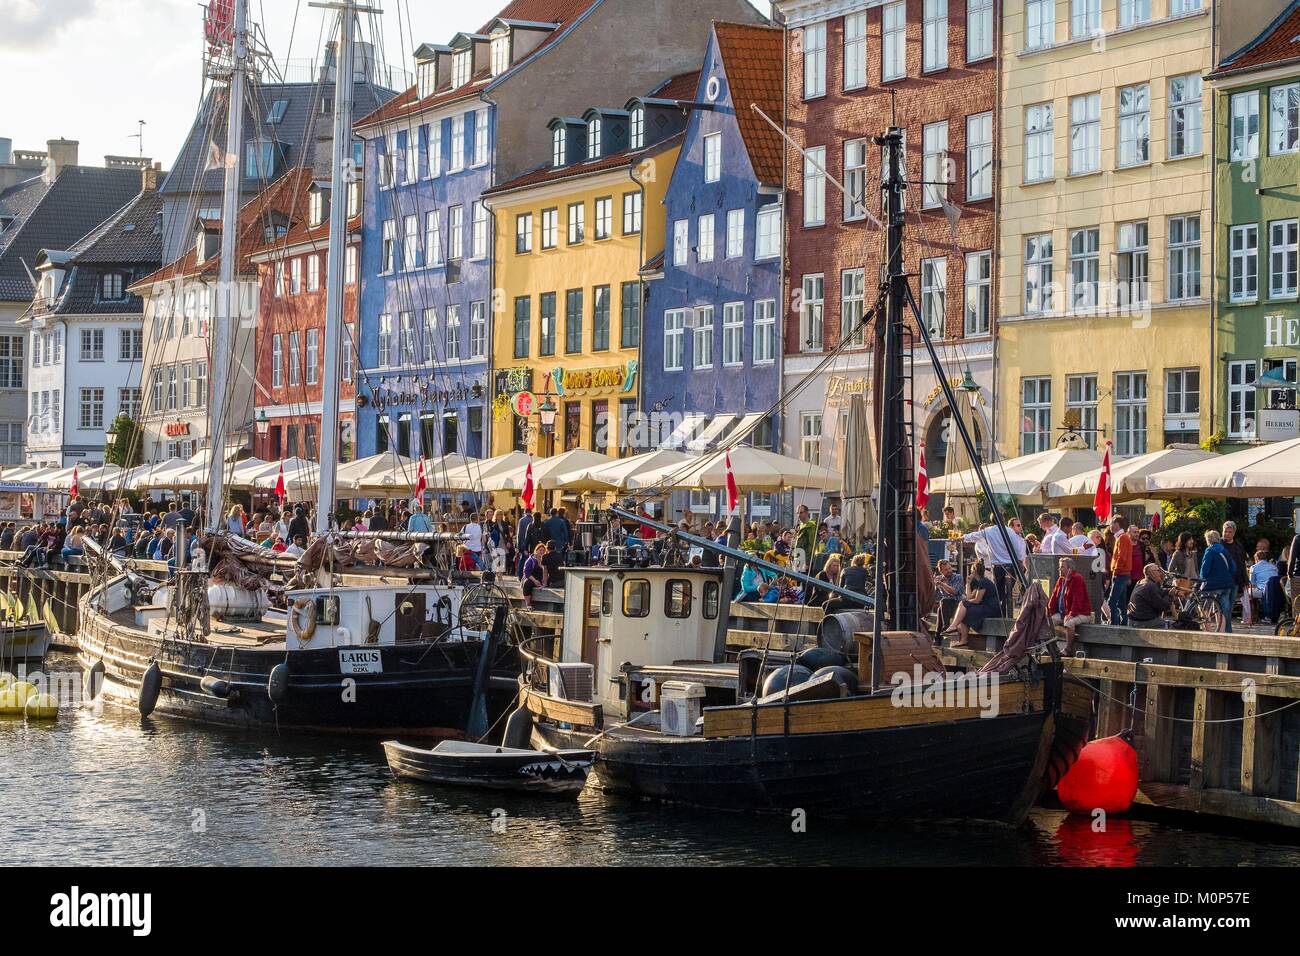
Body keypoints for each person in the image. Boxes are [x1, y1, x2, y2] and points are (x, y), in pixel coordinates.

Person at [961, 521, 1026, 617]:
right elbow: (1017, 548)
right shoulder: (1009, 531)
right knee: (1005, 592)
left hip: (997, 566)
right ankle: (1003, 614)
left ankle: (1001, 614)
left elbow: (974, 535)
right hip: (1009, 565)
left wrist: (963, 537)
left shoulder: (989, 531)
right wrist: (1019, 560)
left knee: (999, 592)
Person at [941, 560, 997, 648]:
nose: (970, 573)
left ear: (974, 572)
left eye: (971, 571)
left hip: (990, 609)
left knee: (964, 607)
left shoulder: (983, 582)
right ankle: (962, 638)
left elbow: (977, 600)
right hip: (984, 607)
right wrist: (968, 583)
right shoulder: (979, 583)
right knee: (964, 610)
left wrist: (966, 602)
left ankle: (954, 628)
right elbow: (969, 597)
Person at [1049, 556, 1094, 654]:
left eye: (1062, 567)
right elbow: (1054, 597)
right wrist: (1048, 611)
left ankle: (1068, 649)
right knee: (1048, 622)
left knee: (1069, 622)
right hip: (1064, 613)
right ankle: (1052, 649)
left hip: (1082, 613)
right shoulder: (1061, 579)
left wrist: (1072, 614)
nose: (1059, 569)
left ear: (1069, 569)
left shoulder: (1077, 579)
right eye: (1059, 567)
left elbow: (1077, 599)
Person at [1199, 530, 1237, 633]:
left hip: (1212, 586)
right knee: (1222, 610)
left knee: (1204, 608)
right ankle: (1222, 632)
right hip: (1226, 585)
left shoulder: (1209, 551)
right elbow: (1233, 568)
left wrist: (1202, 578)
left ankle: (1208, 631)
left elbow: (1204, 570)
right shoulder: (1224, 551)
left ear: (1208, 540)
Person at [1107, 517, 1134, 626]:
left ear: (1117, 524)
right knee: (1121, 604)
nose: (1110, 526)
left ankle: (1114, 625)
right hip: (1124, 574)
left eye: (1111, 523)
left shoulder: (1122, 538)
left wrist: (1116, 571)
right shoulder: (1124, 537)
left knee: (1111, 602)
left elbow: (1121, 557)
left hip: (1120, 574)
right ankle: (1123, 625)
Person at [1221, 520, 1249, 627]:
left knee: (1231, 605)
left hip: (1236, 580)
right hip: (1223, 580)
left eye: (1229, 532)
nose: (1226, 534)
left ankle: (1225, 626)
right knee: (1225, 606)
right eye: (1225, 531)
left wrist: (1245, 580)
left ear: (1234, 533)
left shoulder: (1238, 546)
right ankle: (1227, 628)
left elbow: (1242, 564)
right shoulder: (1219, 544)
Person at [1127, 563, 1173, 627]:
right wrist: (1170, 596)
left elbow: (1159, 591)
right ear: (1152, 573)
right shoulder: (1150, 586)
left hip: (1133, 619)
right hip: (1142, 621)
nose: (1161, 573)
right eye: (1158, 571)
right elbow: (1162, 606)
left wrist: (1169, 592)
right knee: (1172, 626)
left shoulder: (1141, 582)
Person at [1246, 550, 1280, 626]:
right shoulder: (1273, 566)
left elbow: (1252, 584)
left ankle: (1249, 616)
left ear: (1256, 559)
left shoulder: (1253, 567)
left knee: (1247, 592)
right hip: (1276, 591)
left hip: (1264, 590)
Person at [935, 558, 964, 634]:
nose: (949, 571)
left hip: (958, 605)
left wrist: (942, 584)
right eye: (946, 570)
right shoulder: (939, 579)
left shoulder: (958, 577)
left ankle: (944, 629)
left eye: (949, 568)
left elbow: (954, 592)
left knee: (943, 603)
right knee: (941, 607)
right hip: (945, 607)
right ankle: (941, 634)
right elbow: (934, 595)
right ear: (941, 571)